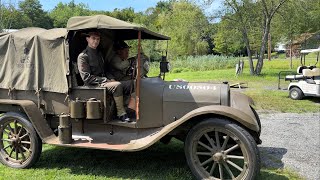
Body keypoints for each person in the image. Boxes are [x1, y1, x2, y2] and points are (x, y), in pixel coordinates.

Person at [77, 31, 131, 122]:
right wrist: (106, 80)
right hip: (92, 85)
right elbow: (86, 78)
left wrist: (111, 78)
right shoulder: (83, 56)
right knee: (117, 86)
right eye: (93, 38)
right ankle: (121, 114)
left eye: (98, 39)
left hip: (104, 82)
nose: (96, 41)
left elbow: (106, 70)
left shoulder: (99, 54)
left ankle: (130, 108)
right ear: (87, 39)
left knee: (130, 84)